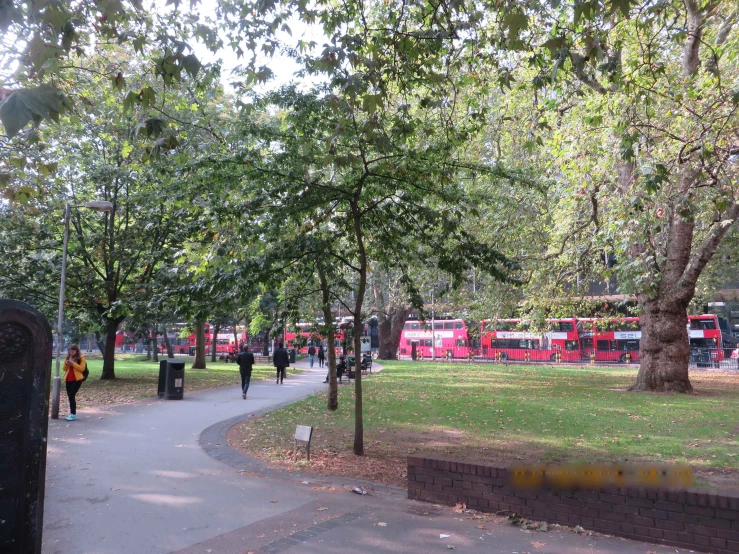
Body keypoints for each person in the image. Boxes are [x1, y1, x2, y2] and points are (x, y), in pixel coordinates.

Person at [63, 344, 86, 421]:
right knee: (70, 396)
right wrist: (67, 363)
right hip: (68, 379)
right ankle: (72, 413)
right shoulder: (67, 357)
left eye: (73, 352)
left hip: (77, 379)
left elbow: (82, 369)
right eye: (70, 352)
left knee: (71, 395)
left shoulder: (81, 358)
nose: (71, 353)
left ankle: (73, 414)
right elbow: (64, 369)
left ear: (77, 351)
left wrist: (73, 364)